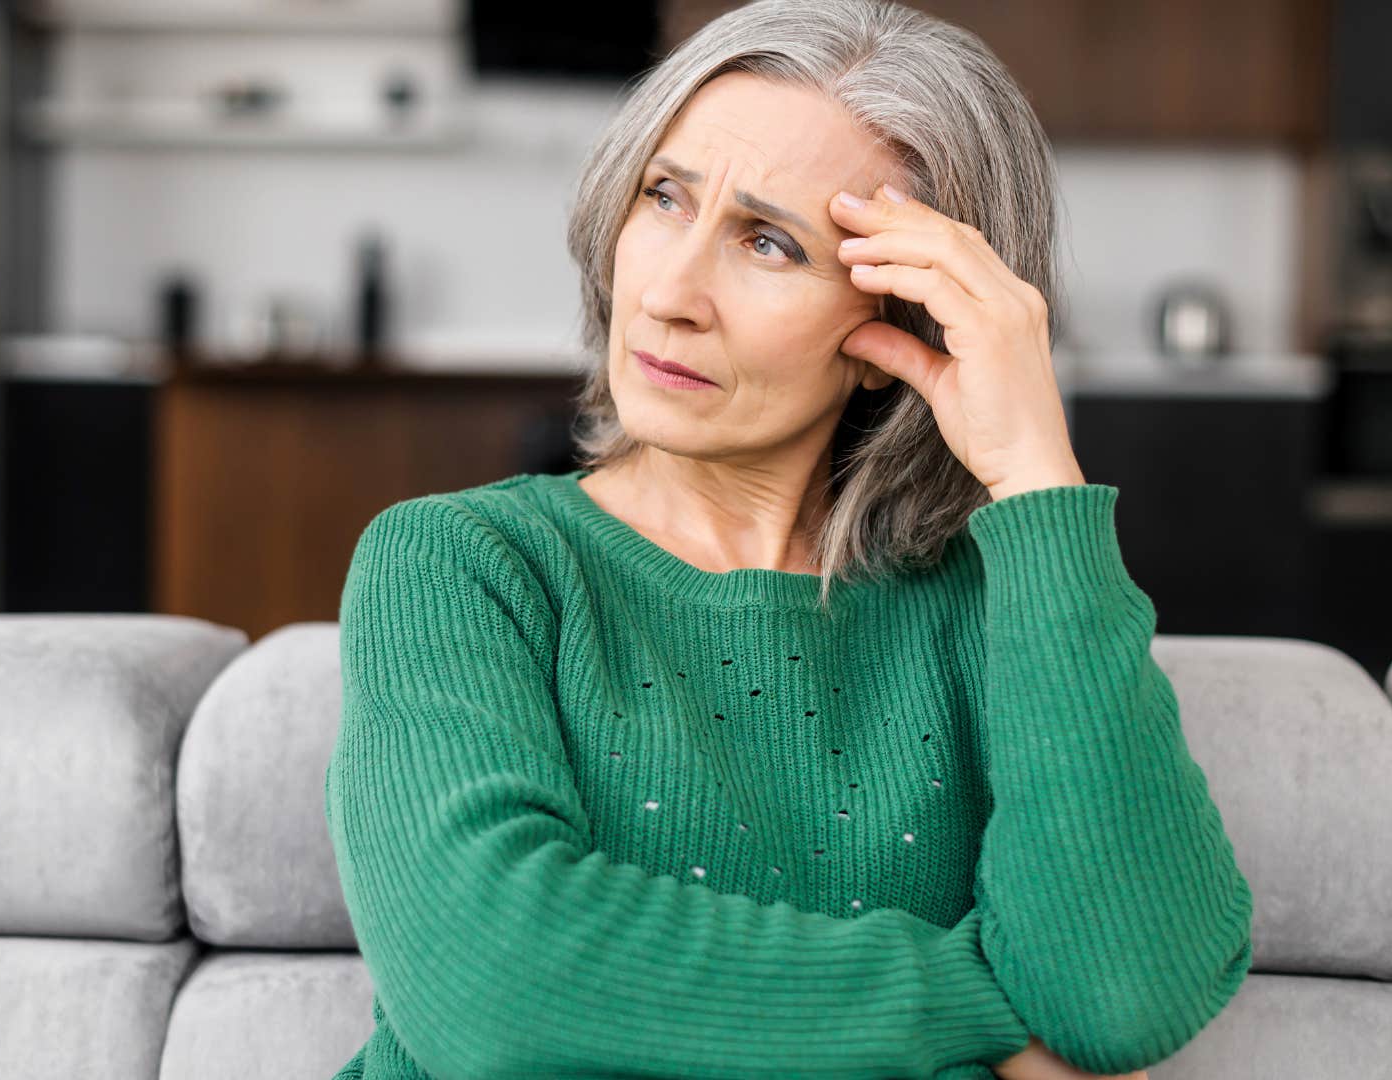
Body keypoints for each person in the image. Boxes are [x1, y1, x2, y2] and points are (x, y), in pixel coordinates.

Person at [324, 1, 1253, 1076]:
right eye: (664, 198)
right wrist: (985, 1005)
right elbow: (488, 988)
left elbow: (1124, 997)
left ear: (896, 329)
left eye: (769, 242)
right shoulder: (461, 566)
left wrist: (1038, 479)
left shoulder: (996, 608)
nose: (670, 294)